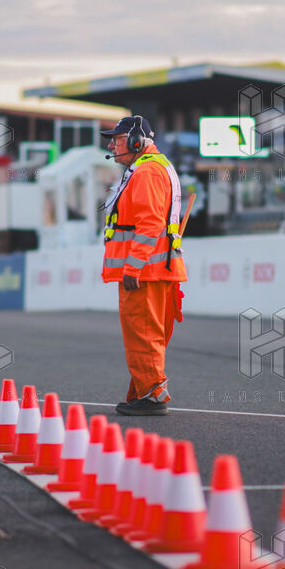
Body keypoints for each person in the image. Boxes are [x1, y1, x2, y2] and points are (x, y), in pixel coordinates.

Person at [100, 116, 187, 416]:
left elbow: (149, 224)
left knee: (143, 335)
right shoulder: (153, 167)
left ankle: (152, 396)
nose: (111, 146)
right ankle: (143, 391)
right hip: (156, 269)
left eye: (117, 139)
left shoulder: (147, 172)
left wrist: (133, 267)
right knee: (150, 335)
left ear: (137, 141)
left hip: (144, 272)